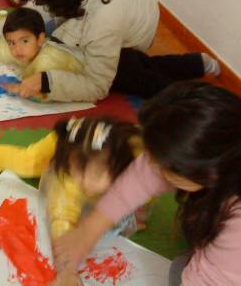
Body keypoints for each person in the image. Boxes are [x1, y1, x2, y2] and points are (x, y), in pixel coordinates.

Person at [53, 81, 241, 286]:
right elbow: (142, 176)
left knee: (180, 271)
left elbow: (210, 279)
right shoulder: (224, 158)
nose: (150, 166)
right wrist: (88, 232)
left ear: (209, 171)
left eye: (163, 164)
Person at [11, 0, 219, 102]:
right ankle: (196, 63)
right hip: (131, 6)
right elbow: (39, 5)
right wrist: (7, 28)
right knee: (133, 63)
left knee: (126, 75)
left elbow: (97, 86)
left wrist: (46, 82)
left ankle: (196, 99)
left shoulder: (104, 21)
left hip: (138, 28)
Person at [0, 116, 145, 241]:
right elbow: (62, 220)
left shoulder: (140, 164)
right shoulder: (70, 180)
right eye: (79, 175)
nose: (85, 183)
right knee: (28, 163)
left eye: (97, 176)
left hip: (99, 140)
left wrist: (138, 212)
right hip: (63, 143)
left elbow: (146, 188)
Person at [0, 7, 84, 99]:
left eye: (24, 41)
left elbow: (53, 91)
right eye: (11, 43)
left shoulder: (47, 62)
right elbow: (4, 51)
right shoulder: (27, 51)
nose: (17, 49)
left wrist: (22, 89)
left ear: (40, 39)